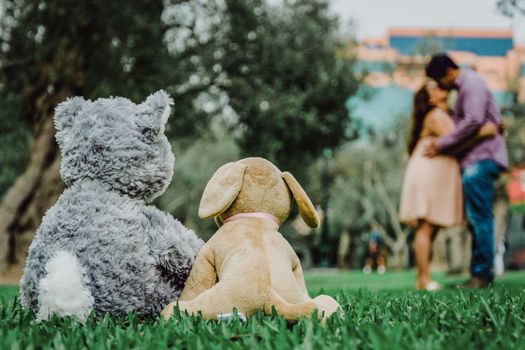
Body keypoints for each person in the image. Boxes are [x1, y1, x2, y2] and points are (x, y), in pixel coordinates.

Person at [399, 80, 498, 290]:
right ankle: (423, 279)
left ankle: (425, 278)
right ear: (429, 98)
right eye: (433, 88)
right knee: (426, 226)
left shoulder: (442, 113)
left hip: (434, 174)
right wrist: (487, 130)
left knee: (430, 227)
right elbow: (457, 139)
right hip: (428, 173)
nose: (439, 88)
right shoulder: (435, 115)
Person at [424, 54, 509, 288]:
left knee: (480, 218)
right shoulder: (466, 88)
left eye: (439, 81)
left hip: (482, 159)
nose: (441, 87)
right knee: (476, 219)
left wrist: (441, 144)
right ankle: (478, 272)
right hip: (475, 159)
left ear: (449, 72)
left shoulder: (472, 83)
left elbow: (473, 121)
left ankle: (482, 275)